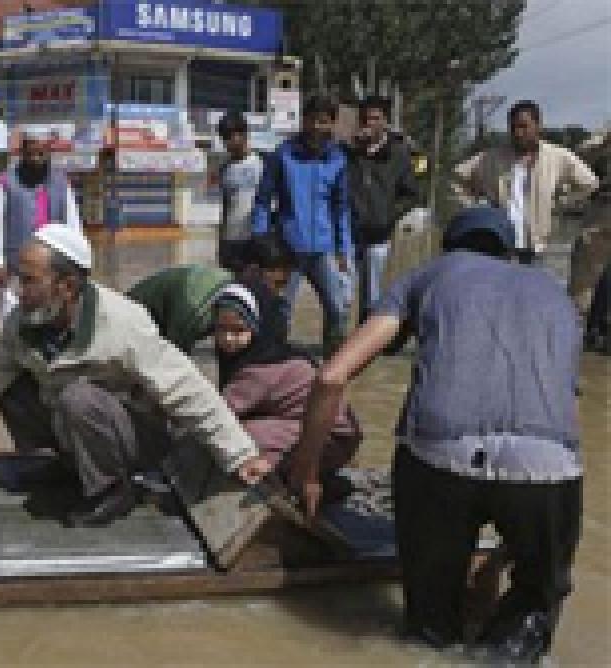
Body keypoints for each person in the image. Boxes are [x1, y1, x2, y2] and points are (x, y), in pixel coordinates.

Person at [290, 207, 582, 662]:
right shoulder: (556, 295)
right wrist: (501, 561)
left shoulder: (425, 277)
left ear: (449, 247)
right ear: (509, 253)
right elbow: (558, 421)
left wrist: (306, 472)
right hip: (549, 466)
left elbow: (331, 377)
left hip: (437, 459)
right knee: (532, 610)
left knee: (430, 633)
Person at [0, 224, 270, 527]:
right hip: (73, 428)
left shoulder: (124, 323)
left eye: (29, 281)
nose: (18, 292)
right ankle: (64, 468)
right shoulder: (22, 323)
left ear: (67, 286)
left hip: (135, 437)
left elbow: (188, 391)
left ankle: (113, 491)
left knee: (77, 396)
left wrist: (240, 456)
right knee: (15, 386)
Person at [212, 281, 360, 473]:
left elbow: (219, 413)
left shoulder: (259, 369)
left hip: (331, 439)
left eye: (239, 330)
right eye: (220, 329)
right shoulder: (268, 354)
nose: (227, 338)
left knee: (239, 433)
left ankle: (287, 477)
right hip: (323, 434)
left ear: (258, 328)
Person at [252, 94, 353, 356]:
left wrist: (344, 249)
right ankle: (274, 357)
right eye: (312, 120)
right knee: (280, 308)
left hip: (323, 249)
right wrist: (261, 241)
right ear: (303, 120)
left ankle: (334, 362)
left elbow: (341, 207)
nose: (318, 127)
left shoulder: (338, 159)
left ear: (332, 124)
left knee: (338, 306)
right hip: (288, 249)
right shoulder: (282, 155)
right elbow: (263, 200)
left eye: (324, 121)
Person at [453, 100, 599, 265]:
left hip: (537, 248)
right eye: (513, 127)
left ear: (538, 126)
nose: (518, 132)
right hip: (500, 245)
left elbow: (590, 183)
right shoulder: (491, 158)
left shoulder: (557, 157)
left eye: (523, 126)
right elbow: (458, 178)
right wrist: (474, 207)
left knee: (533, 288)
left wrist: (561, 202)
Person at [0, 127, 84, 317]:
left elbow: (74, 225)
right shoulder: (4, 182)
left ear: (48, 153)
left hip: (53, 269)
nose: (36, 159)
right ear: (22, 152)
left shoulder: (61, 182)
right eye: (31, 154)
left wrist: (77, 262)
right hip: (17, 268)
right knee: (13, 318)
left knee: (52, 317)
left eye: (41, 153)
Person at [347, 95, 419, 320]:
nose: (369, 123)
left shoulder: (398, 153)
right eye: (365, 118)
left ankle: (367, 346)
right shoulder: (349, 152)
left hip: (379, 236)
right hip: (349, 235)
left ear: (385, 121)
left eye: (375, 118)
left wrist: (388, 215)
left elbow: (411, 194)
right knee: (343, 295)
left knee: (372, 297)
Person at [126, 264, 233, 355]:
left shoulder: (235, 288)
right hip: (134, 313)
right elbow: (173, 357)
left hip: (175, 303)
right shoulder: (194, 314)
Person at [217, 111, 264, 273]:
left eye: (231, 136)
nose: (228, 143)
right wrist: (221, 243)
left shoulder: (262, 163)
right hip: (230, 241)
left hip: (254, 240)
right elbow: (225, 207)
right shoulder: (225, 169)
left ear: (244, 134)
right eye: (224, 138)